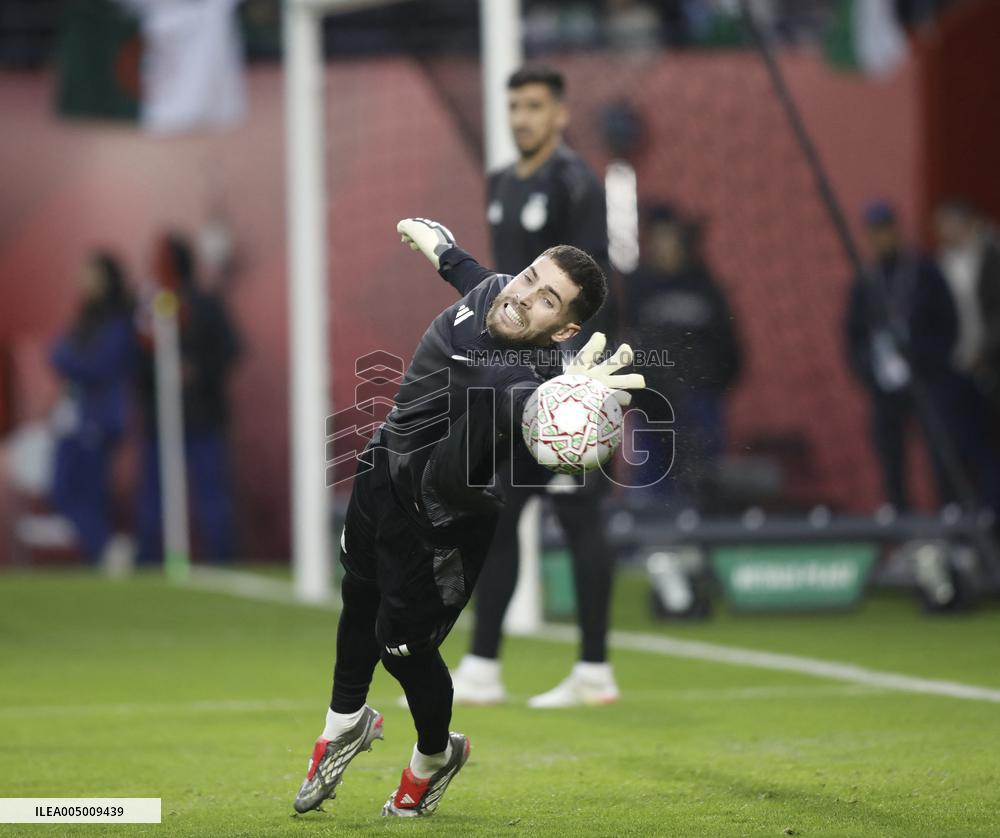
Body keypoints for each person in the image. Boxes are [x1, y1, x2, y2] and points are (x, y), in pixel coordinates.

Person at [292, 218, 642, 818]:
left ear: (565, 329)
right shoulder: (495, 291)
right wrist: (441, 247)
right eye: (530, 278)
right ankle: (343, 724)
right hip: (383, 471)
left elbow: (527, 408)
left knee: (401, 649)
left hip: (441, 521)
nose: (524, 296)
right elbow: (472, 274)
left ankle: (434, 757)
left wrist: (568, 401)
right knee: (358, 593)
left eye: (548, 300)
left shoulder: (530, 381)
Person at [454, 63, 618, 709]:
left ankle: (594, 671)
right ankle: (482, 667)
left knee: (579, 518)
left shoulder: (578, 184)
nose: (521, 117)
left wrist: (578, 385)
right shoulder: (501, 182)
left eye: (534, 106)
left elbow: (594, 291)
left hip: (568, 387)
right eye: (514, 106)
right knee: (499, 514)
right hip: (517, 384)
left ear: (560, 114)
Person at [844, 200, 958, 511]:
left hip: (926, 378)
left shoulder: (924, 271)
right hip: (884, 383)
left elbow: (948, 325)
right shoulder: (866, 280)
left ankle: (950, 513)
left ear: (896, 230)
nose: (880, 238)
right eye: (873, 232)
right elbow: (853, 334)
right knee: (889, 451)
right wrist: (867, 369)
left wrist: (926, 357)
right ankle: (898, 514)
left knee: (940, 449)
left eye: (885, 229)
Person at [623, 204, 742, 502]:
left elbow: (728, 347)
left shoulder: (706, 287)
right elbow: (623, 343)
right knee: (650, 482)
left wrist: (709, 382)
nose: (665, 247)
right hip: (651, 403)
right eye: (658, 239)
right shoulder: (638, 288)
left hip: (698, 400)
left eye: (670, 238)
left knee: (700, 479)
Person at [135, 233, 241, 563]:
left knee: (211, 493)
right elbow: (135, 359)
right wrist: (159, 374)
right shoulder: (147, 307)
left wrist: (196, 370)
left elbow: (230, 349)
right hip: (160, 418)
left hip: (201, 415)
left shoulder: (205, 304)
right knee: (155, 494)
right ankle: (149, 562)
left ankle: (222, 559)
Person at [49, 250, 135, 565]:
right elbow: (56, 351)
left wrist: (70, 360)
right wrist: (68, 359)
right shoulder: (84, 317)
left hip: (97, 419)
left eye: (91, 275)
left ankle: (106, 550)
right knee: (63, 488)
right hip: (73, 418)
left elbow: (97, 365)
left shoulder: (118, 321)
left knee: (91, 492)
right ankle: (104, 548)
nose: (84, 281)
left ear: (107, 280)